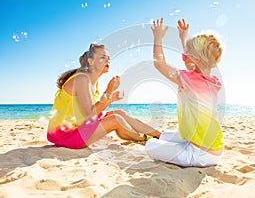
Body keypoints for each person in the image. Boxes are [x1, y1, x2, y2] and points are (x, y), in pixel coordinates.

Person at [47, 44, 161, 149]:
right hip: (67, 136)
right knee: (115, 119)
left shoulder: (91, 82)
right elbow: (90, 114)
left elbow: (96, 109)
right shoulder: (81, 79)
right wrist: (109, 90)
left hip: (78, 128)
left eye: (108, 58)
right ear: (91, 62)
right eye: (102, 57)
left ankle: (158, 134)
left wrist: (111, 98)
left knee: (118, 113)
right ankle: (145, 138)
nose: (108, 60)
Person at [145, 18, 224, 167]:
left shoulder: (189, 80)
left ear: (196, 60)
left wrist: (158, 38)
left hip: (199, 154)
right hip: (216, 149)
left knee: (151, 146)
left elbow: (159, 64)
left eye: (184, 55)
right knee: (166, 135)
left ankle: (153, 142)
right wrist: (184, 38)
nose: (183, 57)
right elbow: (195, 63)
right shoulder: (213, 82)